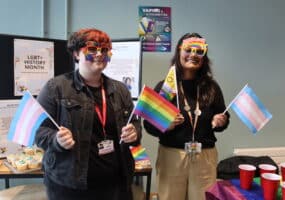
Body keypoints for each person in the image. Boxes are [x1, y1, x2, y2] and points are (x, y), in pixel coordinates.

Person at [35, 28, 142, 200]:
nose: (99, 54)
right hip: (70, 186)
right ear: (77, 53)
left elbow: (135, 123)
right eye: (92, 49)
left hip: (116, 184)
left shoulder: (120, 90)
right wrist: (57, 140)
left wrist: (134, 133)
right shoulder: (56, 88)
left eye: (104, 50)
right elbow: (38, 132)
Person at [143, 33, 230, 200]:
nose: (193, 55)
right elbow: (148, 124)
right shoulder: (166, 87)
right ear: (179, 52)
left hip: (204, 157)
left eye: (199, 51)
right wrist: (164, 125)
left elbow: (224, 116)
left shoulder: (211, 87)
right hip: (172, 156)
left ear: (204, 56)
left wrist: (221, 121)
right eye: (188, 50)